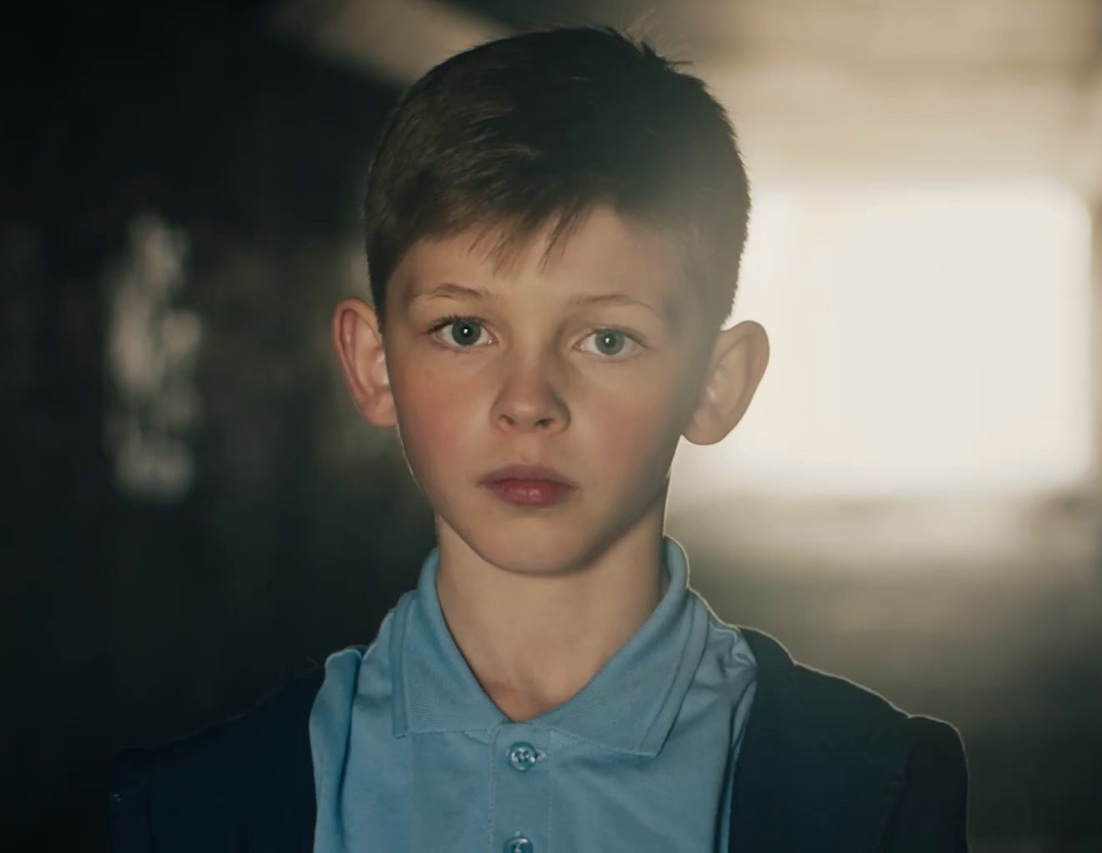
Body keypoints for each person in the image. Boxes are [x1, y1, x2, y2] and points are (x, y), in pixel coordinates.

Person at [109, 26, 968, 852]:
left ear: (717, 382)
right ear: (374, 364)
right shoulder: (193, 808)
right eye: (464, 330)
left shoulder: (876, 788)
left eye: (606, 339)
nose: (528, 403)